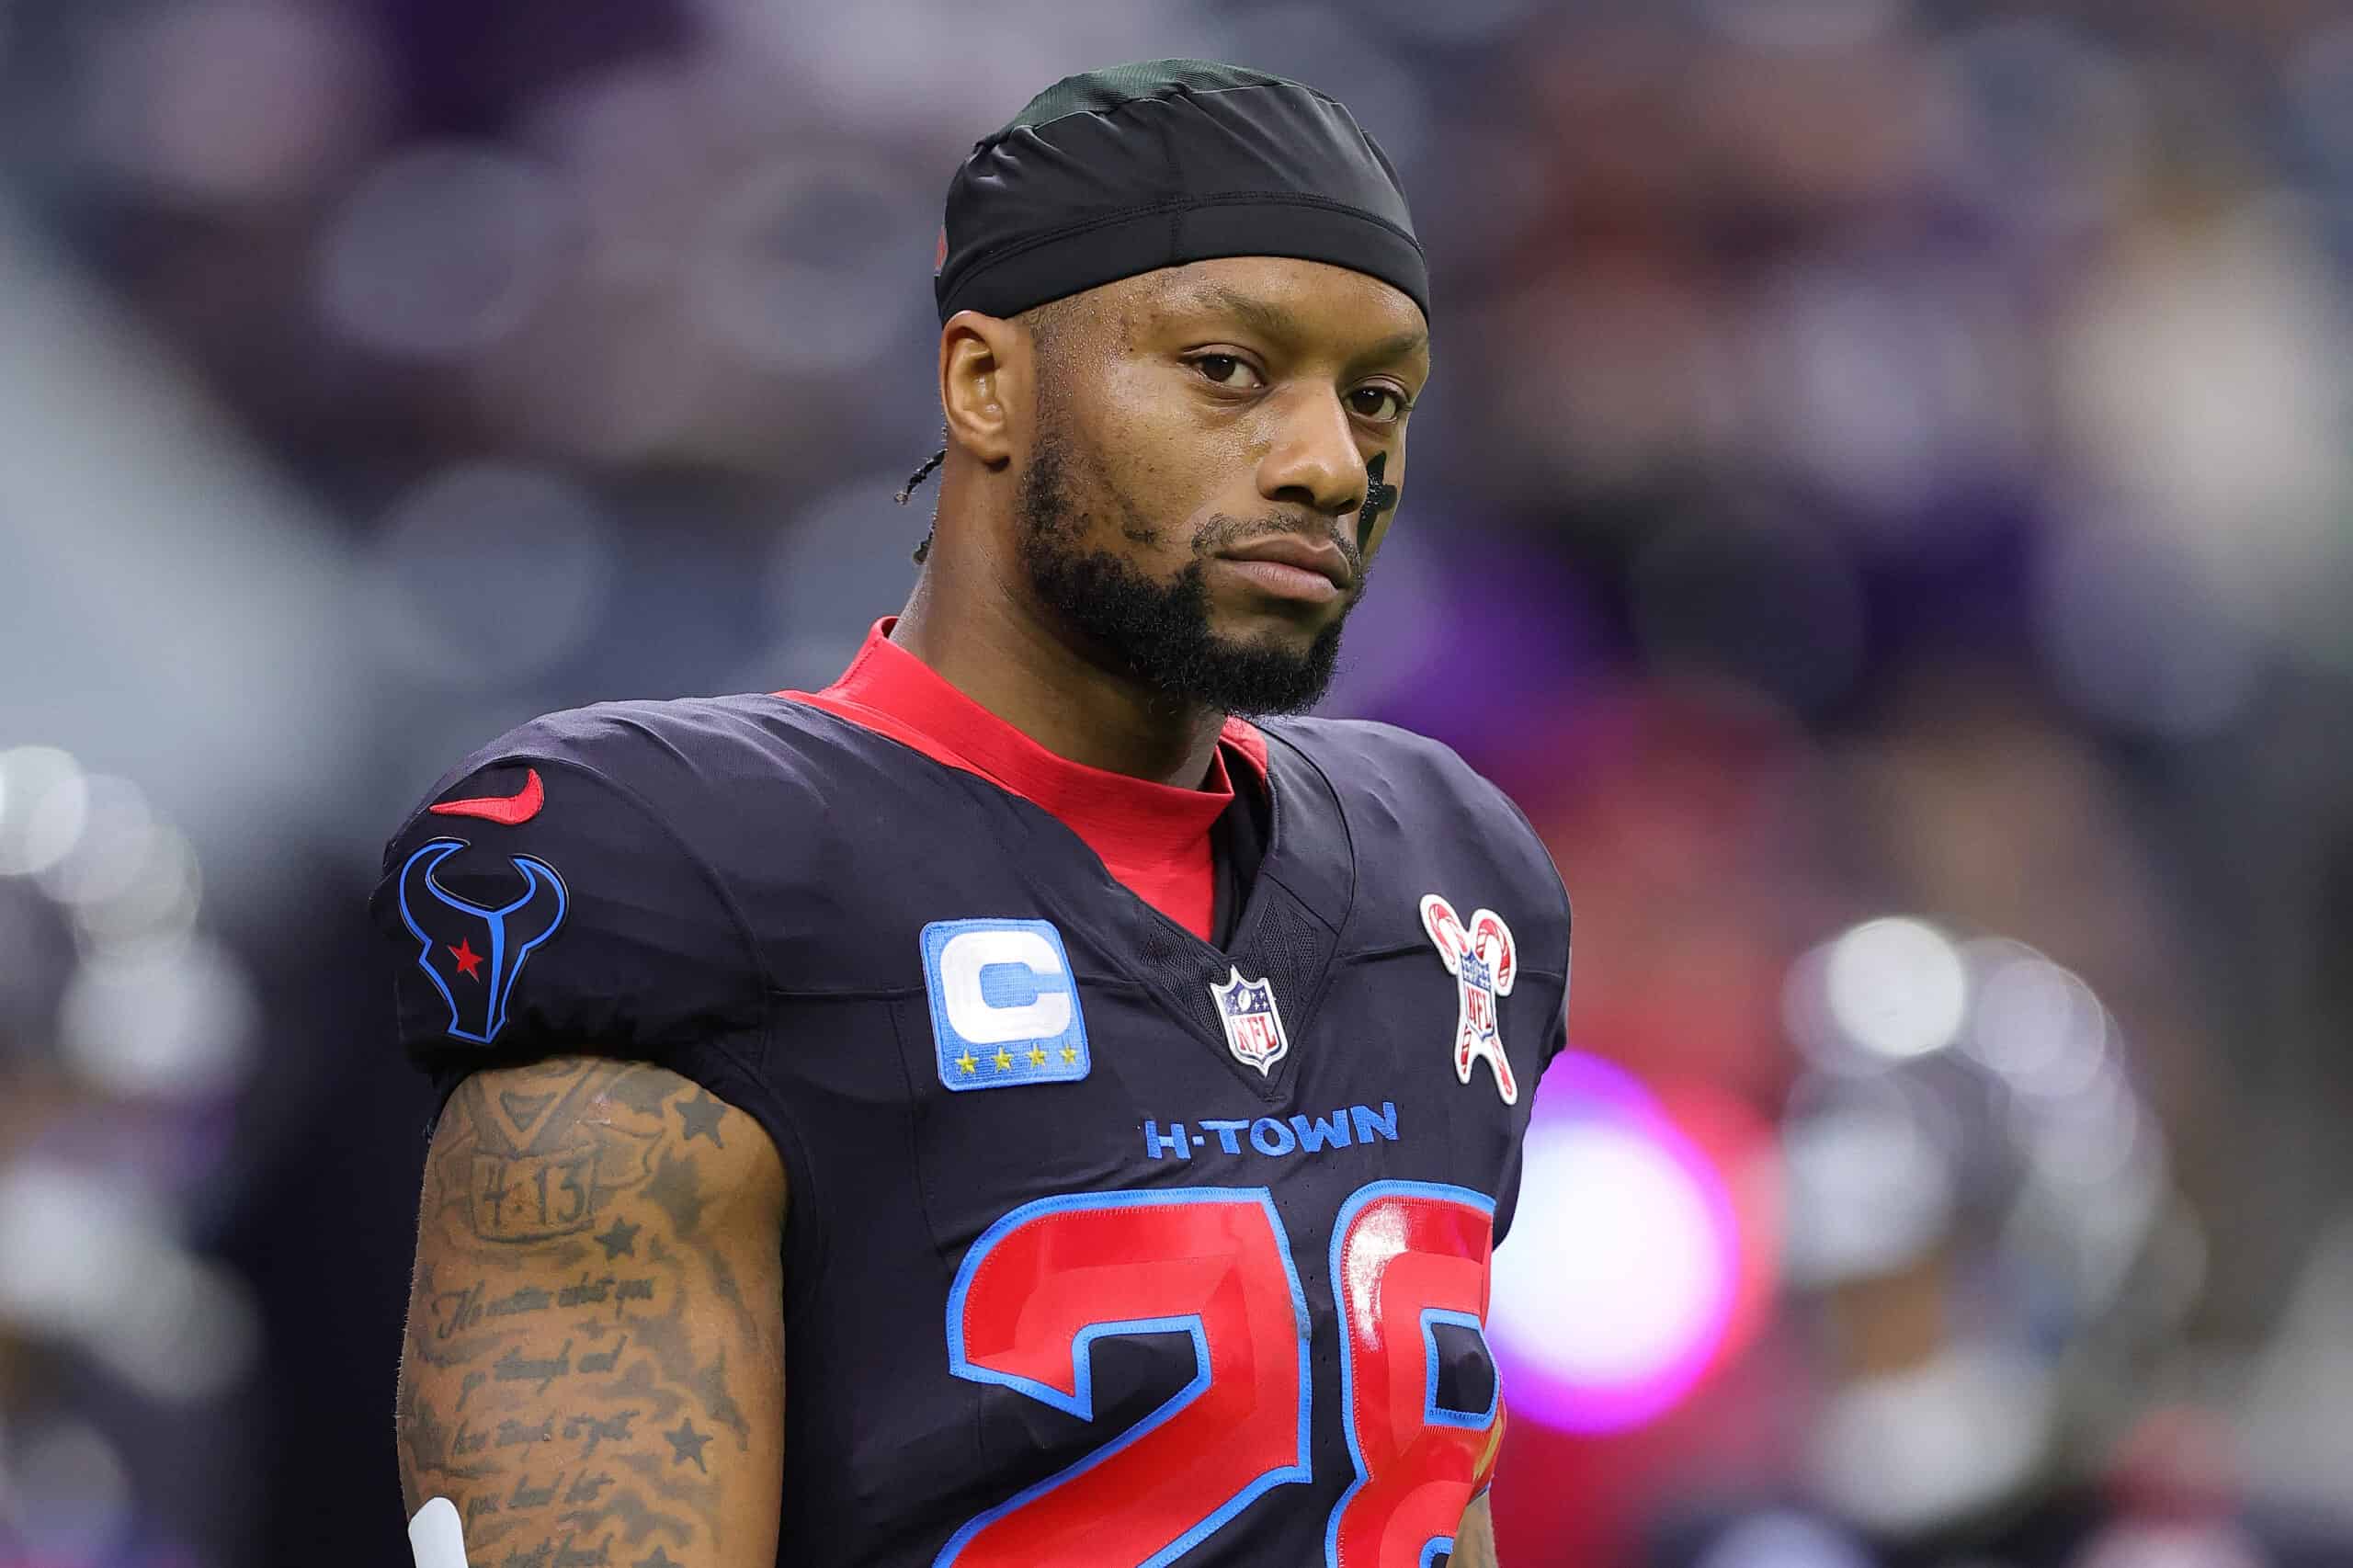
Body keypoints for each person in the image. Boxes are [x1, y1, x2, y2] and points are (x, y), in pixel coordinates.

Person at [375, 59, 1570, 1568]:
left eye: (1376, 396)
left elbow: (1423, 1493)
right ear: (983, 382)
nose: (1332, 462)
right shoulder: (693, 875)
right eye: (1225, 367)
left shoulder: (1448, 884)